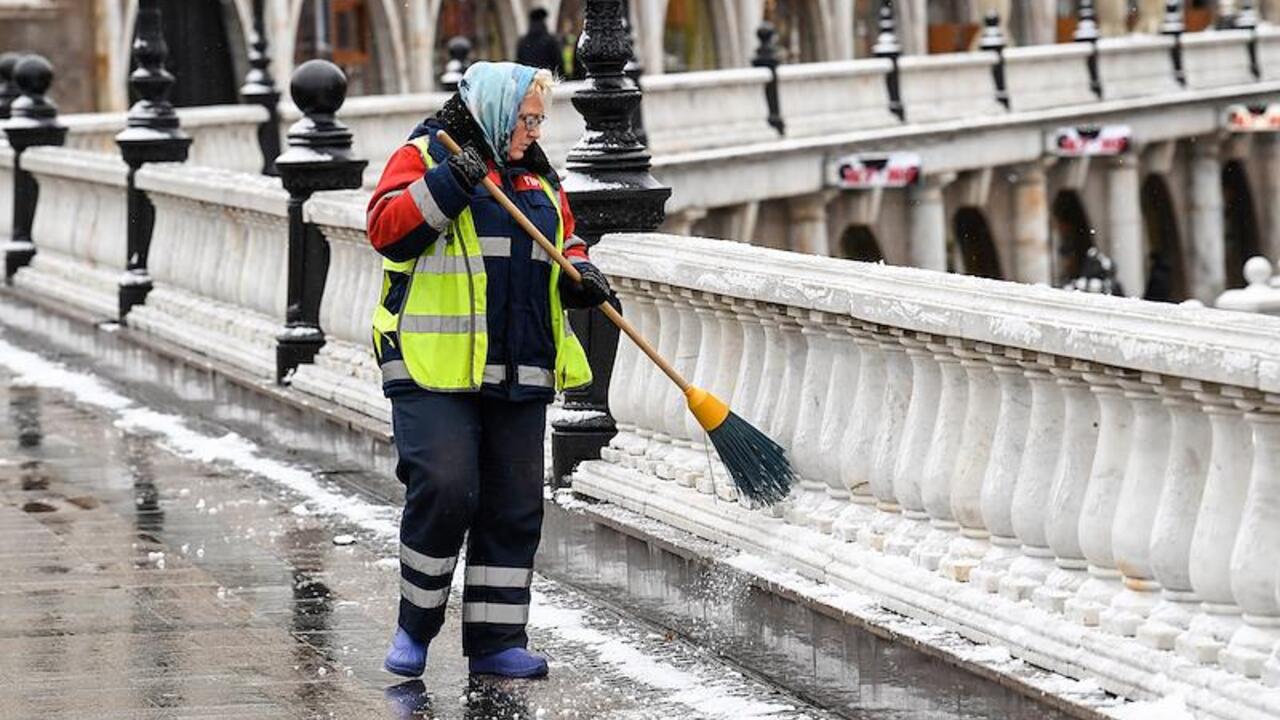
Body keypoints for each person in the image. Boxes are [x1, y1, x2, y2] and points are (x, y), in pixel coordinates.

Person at [365, 61, 612, 679]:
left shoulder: (536, 174)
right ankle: (415, 626)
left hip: (520, 363)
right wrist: (451, 182)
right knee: (447, 488)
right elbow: (386, 230)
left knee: (512, 505)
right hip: (433, 364)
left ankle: (497, 641)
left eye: (539, 120)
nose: (534, 131)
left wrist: (580, 273)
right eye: (527, 119)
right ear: (497, 111)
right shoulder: (428, 154)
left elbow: (563, 237)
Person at [516, 7, 565, 76]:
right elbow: (558, 65)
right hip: (547, 79)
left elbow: (519, 65)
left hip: (530, 79)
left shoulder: (523, 42)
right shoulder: (550, 41)